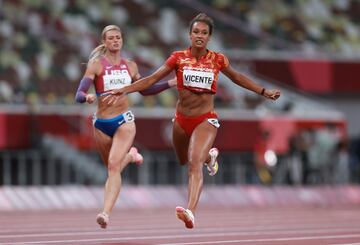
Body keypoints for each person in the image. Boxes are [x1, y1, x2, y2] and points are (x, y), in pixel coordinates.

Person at [105, 13, 281, 229]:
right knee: (182, 159)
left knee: (193, 162)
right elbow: (151, 80)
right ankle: (211, 156)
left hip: (205, 119)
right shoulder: (178, 58)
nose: (199, 36)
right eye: (196, 32)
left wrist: (263, 91)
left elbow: (237, 78)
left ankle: (190, 211)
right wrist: (124, 89)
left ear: (209, 37)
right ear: (189, 35)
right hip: (181, 119)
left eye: (204, 33)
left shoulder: (217, 60)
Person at [75, 25, 175, 229]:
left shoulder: (131, 66)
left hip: (124, 121)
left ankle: (105, 213)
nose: (115, 41)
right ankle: (130, 156)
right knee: (113, 170)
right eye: (111, 38)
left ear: (122, 40)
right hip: (101, 123)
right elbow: (78, 94)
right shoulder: (95, 65)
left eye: (118, 38)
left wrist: (171, 83)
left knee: (113, 165)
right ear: (104, 42)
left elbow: (146, 91)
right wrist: (88, 97)